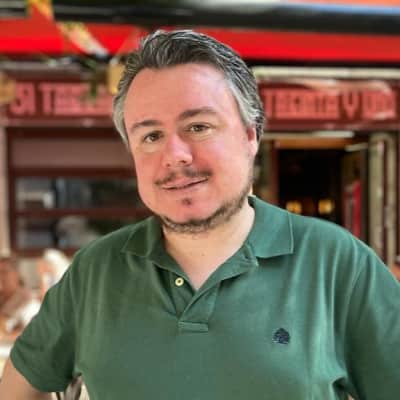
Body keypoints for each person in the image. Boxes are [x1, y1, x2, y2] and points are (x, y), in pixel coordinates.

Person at [0, 30, 399, 399]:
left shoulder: (337, 263)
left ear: (250, 135)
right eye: (151, 136)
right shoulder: (95, 272)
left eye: (198, 126)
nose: (175, 155)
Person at [0, 256, 40, 342]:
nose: (1, 277)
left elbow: (35, 334)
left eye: (4, 272)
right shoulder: (3, 300)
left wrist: (5, 337)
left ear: (16, 275)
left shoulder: (30, 303)